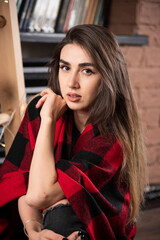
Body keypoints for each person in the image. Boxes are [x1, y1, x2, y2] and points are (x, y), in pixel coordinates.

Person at [0, 24, 147, 240]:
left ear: (107, 77)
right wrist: (33, 231)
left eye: (87, 70)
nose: (71, 83)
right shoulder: (41, 108)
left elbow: (40, 195)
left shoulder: (110, 138)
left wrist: (48, 121)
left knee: (62, 216)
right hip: (36, 220)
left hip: (95, 225)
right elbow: (21, 183)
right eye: (65, 67)